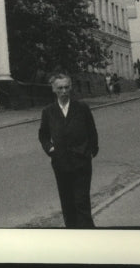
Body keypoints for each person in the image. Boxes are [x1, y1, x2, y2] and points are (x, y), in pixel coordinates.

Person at [38, 72, 99, 228]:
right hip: (61, 163)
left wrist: (91, 151)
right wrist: (51, 150)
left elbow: (92, 131)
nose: (64, 91)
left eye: (66, 87)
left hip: (81, 162)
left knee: (82, 201)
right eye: (60, 88)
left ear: (71, 88)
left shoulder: (81, 108)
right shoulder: (48, 111)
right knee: (67, 202)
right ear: (54, 89)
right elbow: (43, 135)